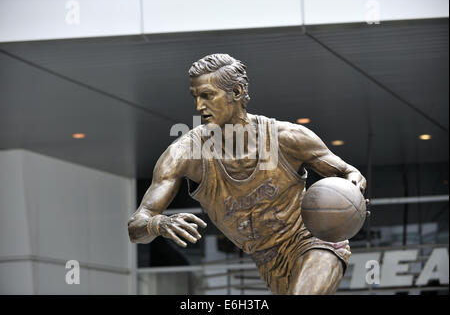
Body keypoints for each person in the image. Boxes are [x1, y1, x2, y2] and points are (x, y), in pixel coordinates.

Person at [128, 53, 367, 294]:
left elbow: (349, 173)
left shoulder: (288, 138)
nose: (199, 106)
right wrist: (159, 223)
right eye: (196, 97)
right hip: (267, 259)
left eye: (208, 95)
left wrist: (352, 192)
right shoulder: (184, 154)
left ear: (238, 92)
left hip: (315, 239)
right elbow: (136, 226)